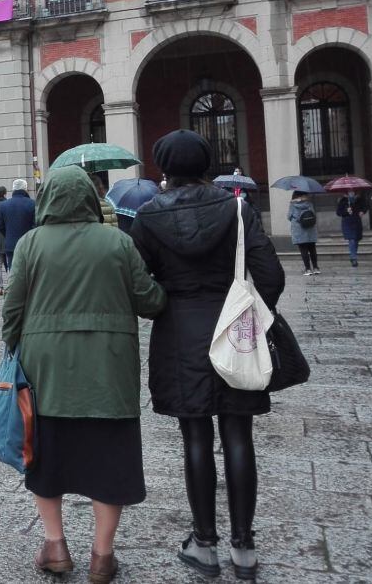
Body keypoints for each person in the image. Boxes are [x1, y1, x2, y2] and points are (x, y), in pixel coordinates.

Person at [129, 130, 285, 581]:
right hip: (233, 330)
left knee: (194, 438)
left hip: (180, 334)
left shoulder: (147, 216)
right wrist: (251, 310)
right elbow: (270, 276)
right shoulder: (238, 208)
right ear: (205, 163)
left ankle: (204, 543)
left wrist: (167, 303)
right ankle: (244, 548)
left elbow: (141, 284)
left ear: (163, 168)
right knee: (239, 435)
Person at [2, 167, 166, 584]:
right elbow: (149, 301)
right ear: (92, 200)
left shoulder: (30, 244)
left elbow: (13, 307)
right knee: (110, 461)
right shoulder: (117, 241)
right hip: (108, 371)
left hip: (46, 370)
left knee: (47, 457)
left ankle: (55, 545)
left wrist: (12, 346)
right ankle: (102, 556)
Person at [0, 179, 35, 271]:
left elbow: (0, 226)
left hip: (11, 244)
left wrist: (8, 235)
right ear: (25, 189)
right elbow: (36, 225)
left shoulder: (4, 205)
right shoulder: (32, 204)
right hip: (29, 244)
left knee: (13, 271)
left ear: (13, 190)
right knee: (28, 271)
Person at [287, 191, 320, 276]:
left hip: (299, 230)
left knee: (303, 249)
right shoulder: (309, 204)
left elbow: (289, 217)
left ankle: (308, 269)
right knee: (312, 248)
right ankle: (316, 268)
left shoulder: (293, 205)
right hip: (310, 229)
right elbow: (313, 215)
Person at [336, 191, 368, 267]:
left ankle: (353, 255)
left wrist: (362, 211)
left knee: (356, 240)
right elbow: (338, 212)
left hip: (357, 221)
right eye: (350, 191)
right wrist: (346, 211)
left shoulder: (359, 199)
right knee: (352, 239)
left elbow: (365, 207)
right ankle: (354, 258)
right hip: (347, 222)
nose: (351, 192)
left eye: (353, 191)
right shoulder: (343, 200)